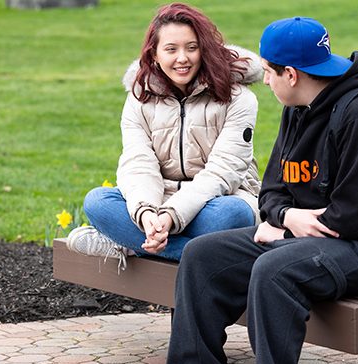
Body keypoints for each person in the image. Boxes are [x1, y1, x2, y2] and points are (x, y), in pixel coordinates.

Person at [126, 16, 358, 364]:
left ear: (291, 73)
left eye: (268, 72)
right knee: (203, 257)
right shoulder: (299, 107)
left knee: (274, 270)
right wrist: (287, 217)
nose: (264, 80)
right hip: (314, 237)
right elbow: (271, 192)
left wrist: (285, 234)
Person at [66, 2, 262, 266]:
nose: (183, 58)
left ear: (204, 51)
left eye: (192, 48)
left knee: (234, 215)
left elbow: (223, 172)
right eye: (171, 49)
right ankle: (197, 253)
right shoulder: (139, 97)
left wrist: (170, 217)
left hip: (219, 199)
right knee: (98, 201)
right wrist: (146, 214)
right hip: (159, 198)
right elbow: (138, 163)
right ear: (155, 54)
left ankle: (130, 244)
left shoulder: (238, 98)